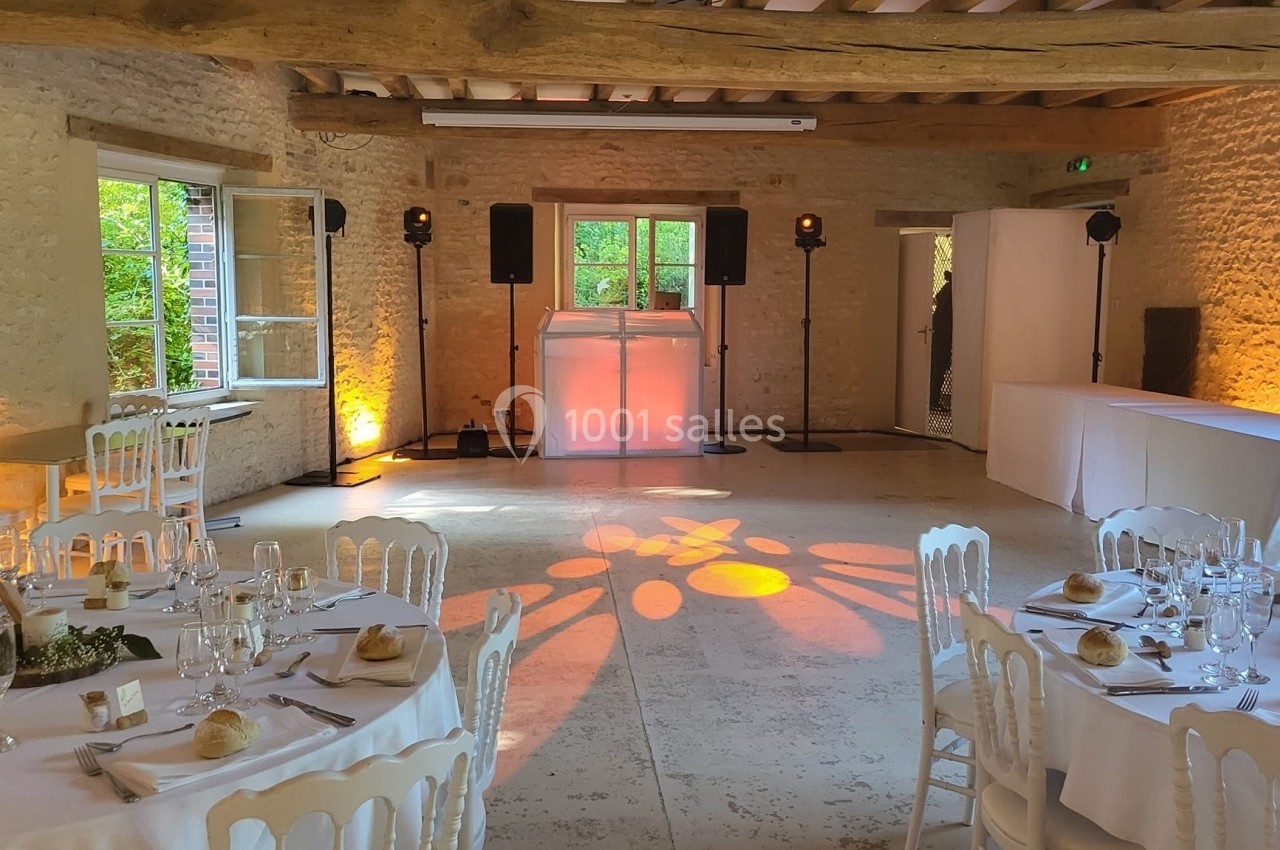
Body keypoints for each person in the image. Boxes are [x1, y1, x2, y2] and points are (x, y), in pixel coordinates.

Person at [930, 271, 953, 410]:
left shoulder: (947, 287)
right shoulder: (954, 289)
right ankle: (933, 401)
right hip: (944, 333)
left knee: (935, 367)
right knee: (939, 368)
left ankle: (931, 400)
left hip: (938, 330)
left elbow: (937, 299)